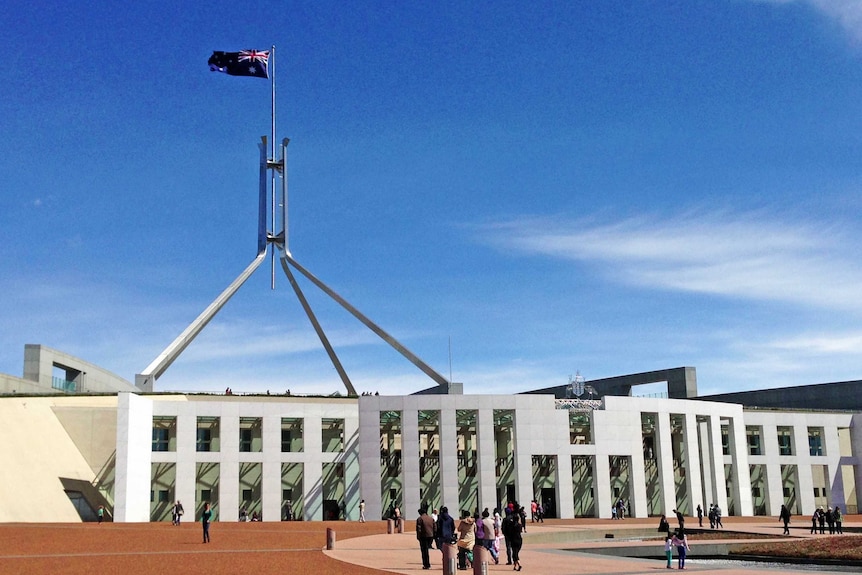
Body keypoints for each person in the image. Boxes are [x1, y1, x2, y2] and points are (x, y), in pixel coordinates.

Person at [502, 506, 523, 572]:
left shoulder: (508, 522)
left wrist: (505, 534)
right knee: (515, 553)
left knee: (514, 553)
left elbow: (505, 529)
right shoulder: (519, 525)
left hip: (512, 539)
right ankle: (515, 566)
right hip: (519, 540)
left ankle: (518, 564)